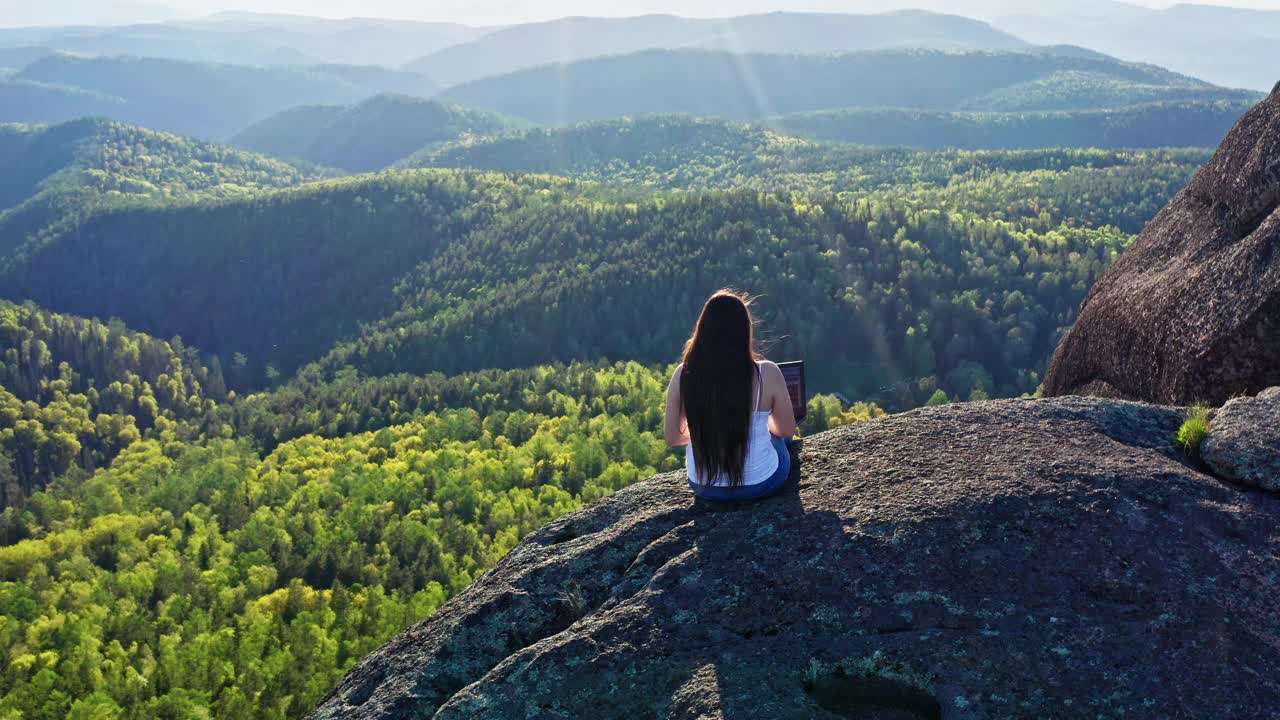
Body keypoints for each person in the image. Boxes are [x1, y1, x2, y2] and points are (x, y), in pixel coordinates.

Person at [664, 289, 797, 500]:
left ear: (703, 330)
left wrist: (709, 433)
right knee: (782, 439)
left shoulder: (684, 373)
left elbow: (672, 437)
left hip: (703, 486)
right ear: (744, 331)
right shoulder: (767, 372)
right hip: (761, 483)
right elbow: (787, 429)